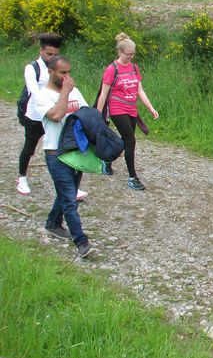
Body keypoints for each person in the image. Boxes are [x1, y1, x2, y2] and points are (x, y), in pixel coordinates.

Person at [34, 55, 94, 257]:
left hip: (75, 152)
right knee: (70, 199)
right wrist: (65, 93)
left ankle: (52, 223)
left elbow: (85, 114)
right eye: (63, 73)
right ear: (50, 72)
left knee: (68, 191)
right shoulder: (42, 96)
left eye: (69, 72)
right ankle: (81, 241)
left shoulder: (75, 91)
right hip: (55, 154)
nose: (67, 77)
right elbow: (57, 115)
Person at [16, 33, 87, 201]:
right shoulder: (32, 68)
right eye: (49, 54)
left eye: (55, 54)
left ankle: (69, 186)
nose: (52, 57)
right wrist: (56, 99)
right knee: (30, 147)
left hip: (59, 110)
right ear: (41, 51)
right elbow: (35, 92)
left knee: (62, 146)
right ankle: (22, 177)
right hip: (37, 114)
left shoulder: (59, 67)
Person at [96, 33, 158, 190]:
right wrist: (98, 114)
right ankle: (132, 177)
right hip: (117, 108)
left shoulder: (134, 68)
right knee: (131, 140)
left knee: (126, 140)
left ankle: (107, 159)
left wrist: (150, 108)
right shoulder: (112, 69)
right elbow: (104, 93)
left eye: (133, 54)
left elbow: (140, 91)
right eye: (128, 54)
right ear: (120, 51)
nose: (131, 57)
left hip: (132, 109)